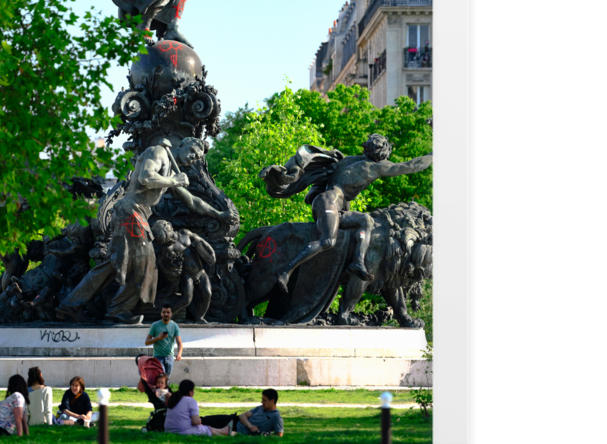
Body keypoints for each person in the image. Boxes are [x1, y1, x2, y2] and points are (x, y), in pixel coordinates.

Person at [55, 137, 232, 324]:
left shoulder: (171, 171)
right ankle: (118, 309)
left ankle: (71, 306)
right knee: (146, 264)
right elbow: (145, 177)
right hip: (131, 212)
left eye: (196, 157)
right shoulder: (158, 151)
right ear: (181, 145)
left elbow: (193, 201)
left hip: (135, 214)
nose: (191, 158)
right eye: (191, 152)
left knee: (113, 264)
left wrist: (219, 215)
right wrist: (173, 181)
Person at [260, 134, 433, 290]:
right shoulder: (376, 167)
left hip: (333, 204)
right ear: (383, 154)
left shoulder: (350, 160)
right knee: (327, 241)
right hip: (328, 203)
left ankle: (358, 261)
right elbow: (412, 165)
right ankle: (285, 271)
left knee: (366, 220)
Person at [164, 379, 231, 436]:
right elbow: (195, 422)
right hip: (184, 431)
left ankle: (223, 431)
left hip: (168, 430)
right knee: (207, 429)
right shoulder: (190, 401)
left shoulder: (173, 399)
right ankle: (224, 431)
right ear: (190, 392)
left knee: (205, 428)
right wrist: (199, 420)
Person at [145, 304, 182, 377]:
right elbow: (146, 342)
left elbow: (179, 343)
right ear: (161, 313)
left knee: (166, 380)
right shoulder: (155, 325)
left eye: (168, 312)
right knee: (161, 377)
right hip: (158, 357)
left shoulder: (175, 326)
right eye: (164, 312)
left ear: (171, 314)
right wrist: (157, 338)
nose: (166, 314)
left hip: (169, 357)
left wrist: (179, 354)